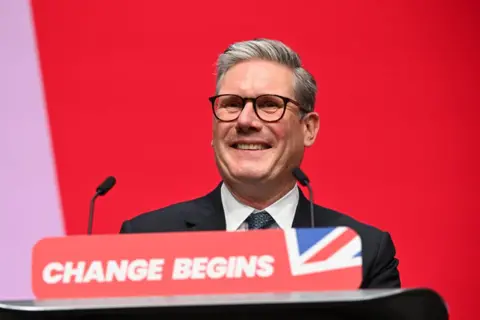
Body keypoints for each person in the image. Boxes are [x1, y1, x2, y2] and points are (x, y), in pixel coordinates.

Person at [119, 38, 401, 289]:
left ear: (308, 129)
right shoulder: (147, 241)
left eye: (269, 104)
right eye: (231, 104)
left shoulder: (359, 251)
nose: (244, 121)